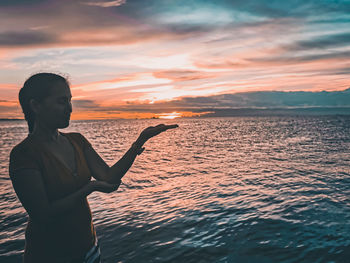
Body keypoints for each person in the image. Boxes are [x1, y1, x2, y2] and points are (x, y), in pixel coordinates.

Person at [9, 73, 178, 263]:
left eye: (70, 101)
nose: (70, 108)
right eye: (62, 101)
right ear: (36, 106)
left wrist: (140, 141)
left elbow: (108, 176)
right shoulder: (24, 154)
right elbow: (43, 214)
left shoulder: (77, 141)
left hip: (89, 249)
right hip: (50, 255)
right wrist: (90, 187)